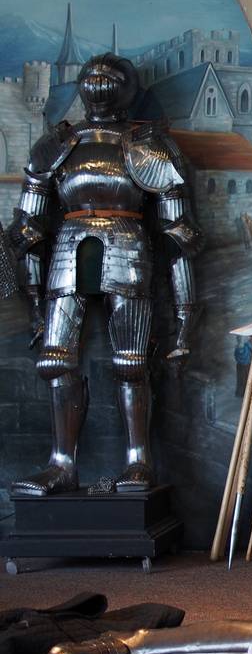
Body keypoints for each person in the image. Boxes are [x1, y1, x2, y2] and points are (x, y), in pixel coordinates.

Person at [4, 53, 202, 496]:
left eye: (108, 78)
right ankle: (61, 464)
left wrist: (186, 320)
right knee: (55, 360)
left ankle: (138, 462)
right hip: (68, 250)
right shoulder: (57, 144)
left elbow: (178, 237)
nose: (98, 84)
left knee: (131, 363)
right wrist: (33, 301)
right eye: (91, 77)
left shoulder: (149, 144)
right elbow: (30, 230)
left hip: (127, 247)